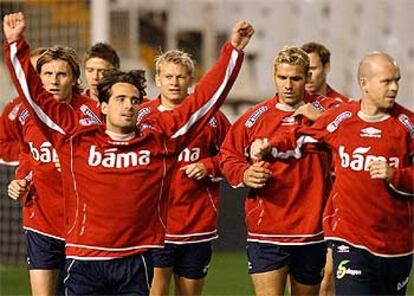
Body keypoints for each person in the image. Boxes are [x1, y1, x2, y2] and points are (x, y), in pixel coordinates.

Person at [3, 12, 253, 295]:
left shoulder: (161, 141)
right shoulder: (74, 138)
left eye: (134, 100)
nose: (128, 106)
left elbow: (203, 100)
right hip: (85, 259)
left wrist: (233, 52)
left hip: (136, 260)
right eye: (120, 99)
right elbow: (34, 96)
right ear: (104, 106)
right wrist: (15, 45)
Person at [250, 52, 413, 295]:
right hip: (349, 238)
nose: (394, 88)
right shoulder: (342, 119)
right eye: (386, 81)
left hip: (395, 244)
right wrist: (269, 145)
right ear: (364, 84)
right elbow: (303, 134)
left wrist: (394, 175)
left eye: (396, 80)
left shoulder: (407, 125)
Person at [220, 46, 340, 296]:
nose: (288, 85)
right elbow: (228, 157)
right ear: (274, 76)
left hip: (312, 231)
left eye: (295, 78)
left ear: (307, 78)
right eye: (282, 78)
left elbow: (352, 137)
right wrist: (244, 174)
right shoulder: (254, 118)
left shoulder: (329, 110)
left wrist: (321, 119)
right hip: (267, 230)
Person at [6, 43, 99, 295]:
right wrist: (20, 178)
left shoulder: (91, 114)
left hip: (82, 224)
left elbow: (105, 155)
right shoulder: (27, 114)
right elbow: (27, 151)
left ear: (75, 78)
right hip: (41, 220)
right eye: (47, 74)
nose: (54, 81)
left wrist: (74, 162)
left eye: (61, 74)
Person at [145, 49, 231, 296]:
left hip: (196, 224)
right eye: (169, 76)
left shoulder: (211, 118)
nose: (174, 82)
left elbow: (233, 155)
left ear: (191, 80)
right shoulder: (142, 117)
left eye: (181, 77)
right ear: (157, 79)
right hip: (154, 224)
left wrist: (208, 166)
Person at [301, 41, 350, 296]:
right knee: (301, 275)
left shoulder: (343, 107)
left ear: (327, 67)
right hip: (302, 201)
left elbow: (355, 136)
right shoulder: (291, 105)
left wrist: (322, 119)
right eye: (303, 69)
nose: (308, 75)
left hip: (336, 202)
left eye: (313, 68)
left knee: (330, 273)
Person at [0, 47, 47, 166]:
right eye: (32, 72)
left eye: (43, 71)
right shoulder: (14, 108)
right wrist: (32, 149)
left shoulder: (72, 107)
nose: (37, 77)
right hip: (21, 174)